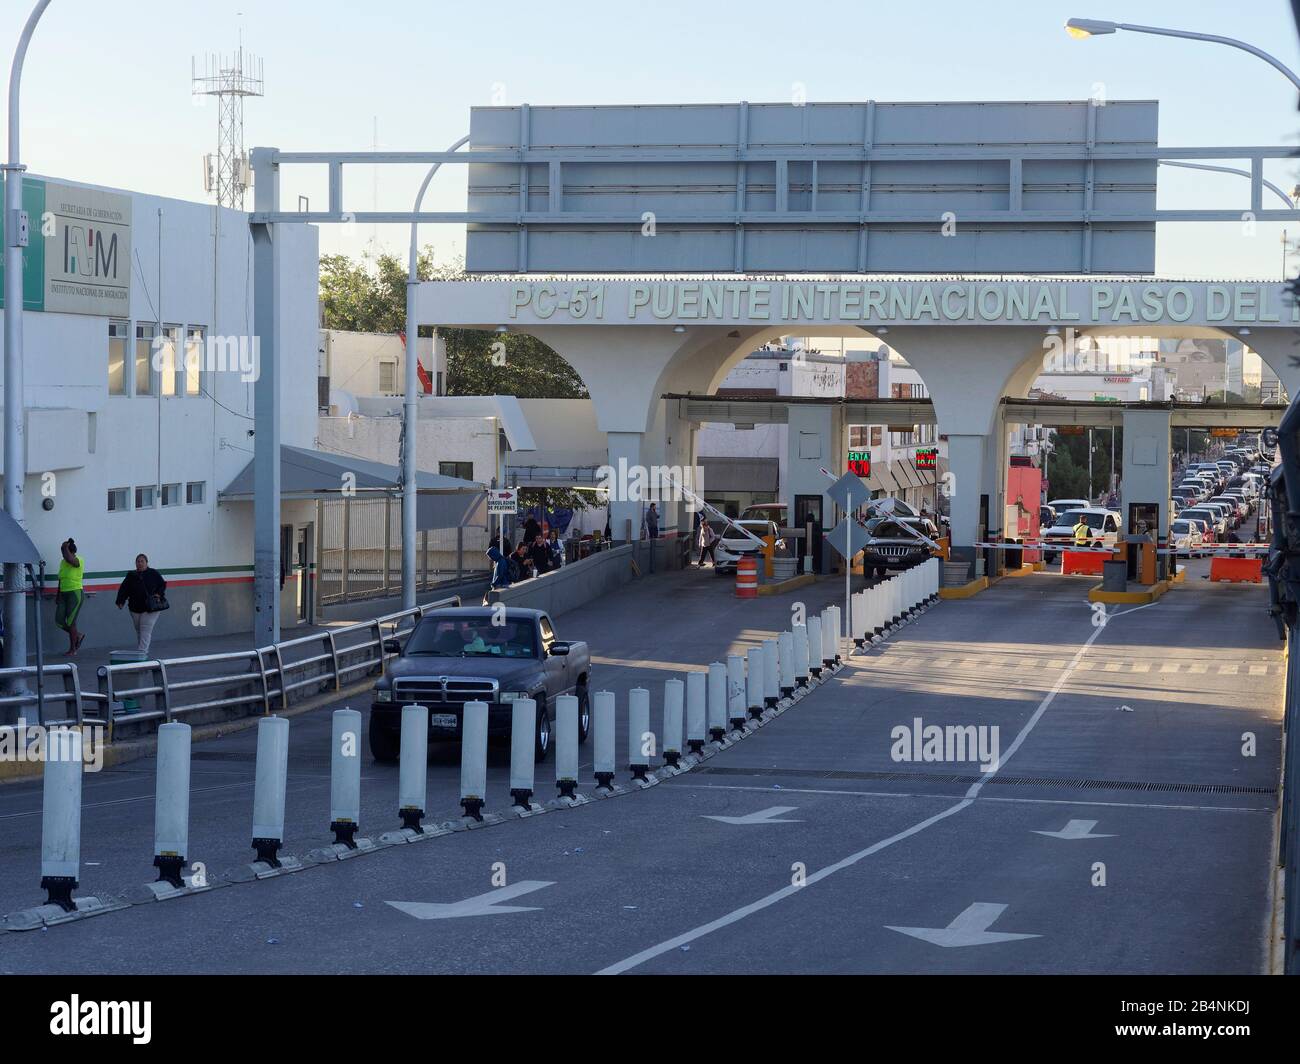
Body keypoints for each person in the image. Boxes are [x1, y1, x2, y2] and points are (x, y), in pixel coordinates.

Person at [115, 554, 168, 655]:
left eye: (142, 561)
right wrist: (120, 601)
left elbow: (162, 584)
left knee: (145, 630)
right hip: (135, 607)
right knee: (139, 630)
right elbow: (124, 589)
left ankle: (142, 653)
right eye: (138, 561)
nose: (139, 563)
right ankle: (142, 652)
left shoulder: (153, 573)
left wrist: (158, 594)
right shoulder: (131, 575)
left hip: (151, 608)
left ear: (146, 563)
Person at [54, 538, 85, 655]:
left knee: (71, 622)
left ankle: (73, 649)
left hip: (75, 594)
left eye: (64, 551)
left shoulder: (79, 560)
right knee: (59, 621)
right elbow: (61, 579)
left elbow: (71, 560)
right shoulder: (63, 562)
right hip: (63, 594)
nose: (63, 554)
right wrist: (58, 595)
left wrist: (65, 547)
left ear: (70, 552)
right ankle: (78, 635)